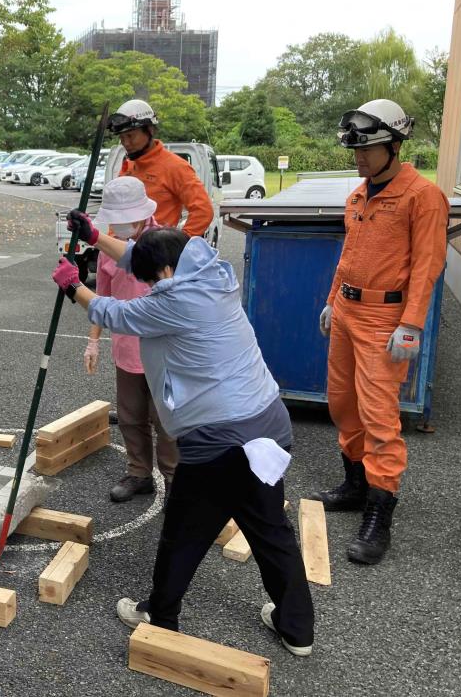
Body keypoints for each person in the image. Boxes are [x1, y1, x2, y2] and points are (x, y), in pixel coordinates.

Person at [53, 216, 315, 657]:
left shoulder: (173, 303)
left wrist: (72, 285)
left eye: (152, 278)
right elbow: (145, 258)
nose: (149, 283)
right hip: (268, 427)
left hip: (220, 443)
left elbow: (112, 312)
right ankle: (297, 629)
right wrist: (96, 237)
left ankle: (160, 613)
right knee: (271, 530)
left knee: (183, 532)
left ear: (168, 274)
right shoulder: (211, 271)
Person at [313, 100, 449, 565]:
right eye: (356, 151)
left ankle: (379, 510)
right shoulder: (359, 194)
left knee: (379, 416)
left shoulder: (421, 197)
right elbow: (349, 253)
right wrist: (333, 299)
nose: (360, 159)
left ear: (394, 145)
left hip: (384, 321)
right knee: (341, 403)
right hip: (348, 312)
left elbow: (428, 266)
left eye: (368, 150)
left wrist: (411, 324)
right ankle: (354, 484)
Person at [83, 177, 178, 502]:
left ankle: (174, 481)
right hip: (126, 348)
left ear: (142, 212)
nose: (120, 225)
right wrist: (93, 341)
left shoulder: (164, 242)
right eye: (115, 220)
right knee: (130, 416)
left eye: (126, 218)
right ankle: (139, 473)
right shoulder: (107, 248)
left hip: (163, 350)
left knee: (166, 421)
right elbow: (102, 297)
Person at [107, 99, 214, 237]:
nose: (126, 143)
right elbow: (119, 211)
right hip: (124, 252)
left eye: (130, 136)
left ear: (150, 130)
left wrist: (177, 244)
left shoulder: (175, 167)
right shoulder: (129, 166)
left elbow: (203, 211)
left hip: (155, 254)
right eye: (121, 138)